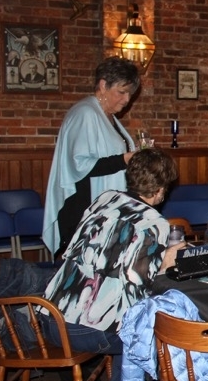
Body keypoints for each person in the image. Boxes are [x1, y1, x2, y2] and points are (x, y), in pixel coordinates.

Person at [41, 148, 182, 381]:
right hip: (83, 330)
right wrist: (165, 261)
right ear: (161, 189)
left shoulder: (104, 199)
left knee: (130, 321)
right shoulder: (153, 222)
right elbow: (139, 287)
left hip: (50, 316)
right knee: (158, 331)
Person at [42, 57, 139, 255]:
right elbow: (80, 165)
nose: (127, 99)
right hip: (84, 208)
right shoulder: (85, 113)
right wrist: (124, 159)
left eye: (130, 93)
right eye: (122, 92)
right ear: (103, 85)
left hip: (103, 205)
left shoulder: (106, 115)